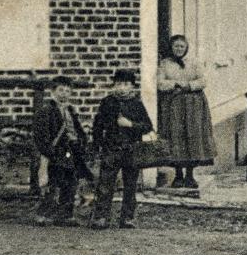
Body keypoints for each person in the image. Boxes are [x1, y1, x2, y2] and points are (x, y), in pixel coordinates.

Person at [92, 69, 155, 230]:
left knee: (130, 185)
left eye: (126, 84)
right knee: (105, 184)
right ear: (114, 85)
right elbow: (98, 126)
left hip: (131, 149)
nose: (122, 87)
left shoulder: (136, 104)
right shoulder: (108, 102)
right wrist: (97, 145)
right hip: (111, 148)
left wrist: (131, 125)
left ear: (132, 86)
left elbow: (148, 126)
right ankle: (101, 217)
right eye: (119, 84)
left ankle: (127, 217)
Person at [154, 34, 215, 191]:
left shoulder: (194, 62)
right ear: (171, 47)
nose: (179, 49)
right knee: (176, 137)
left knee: (192, 137)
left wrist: (188, 86)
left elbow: (203, 81)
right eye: (176, 46)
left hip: (193, 105)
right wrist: (175, 84)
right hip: (173, 105)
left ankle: (190, 175)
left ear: (186, 48)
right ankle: (178, 175)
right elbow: (160, 83)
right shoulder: (165, 63)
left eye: (182, 46)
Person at [33, 77, 89, 226]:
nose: (64, 94)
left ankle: (65, 215)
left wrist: (82, 142)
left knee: (70, 183)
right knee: (52, 183)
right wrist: (49, 151)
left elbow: (78, 130)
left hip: (71, 151)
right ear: (52, 91)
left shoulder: (70, 110)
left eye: (67, 91)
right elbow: (41, 135)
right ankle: (43, 214)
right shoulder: (46, 111)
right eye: (60, 90)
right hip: (55, 152)